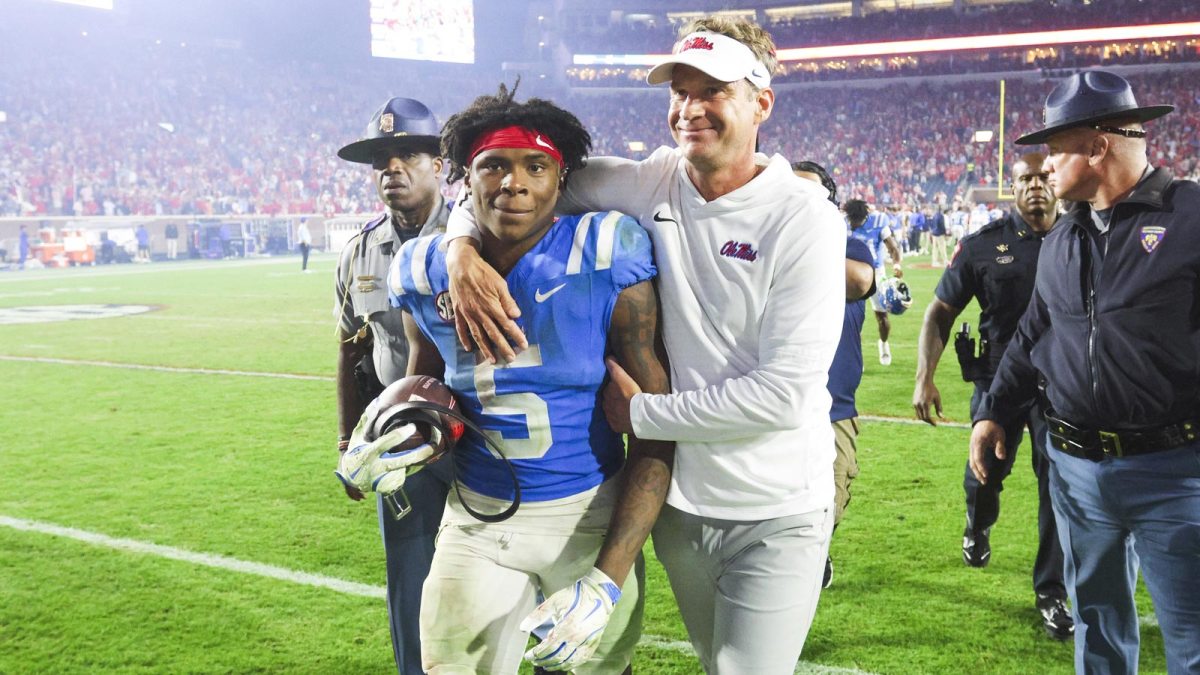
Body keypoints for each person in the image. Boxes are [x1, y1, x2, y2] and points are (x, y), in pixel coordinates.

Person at [444, 17, 845, 674]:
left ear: (761, 104)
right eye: (680, 92)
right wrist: (460, 249)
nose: (690, 109)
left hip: (778, 506)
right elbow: (516, 185)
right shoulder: (653, 180)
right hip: (681, 506)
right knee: (716, 661)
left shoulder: (805, 219)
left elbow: (784, 396)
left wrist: (643, 414)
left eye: (712, 92)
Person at [388, 86, 672, 674]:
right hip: (477, 518)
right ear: (466, 178)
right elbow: (427, 393)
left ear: (560, 178)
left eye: (535, 166)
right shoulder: (422, 268)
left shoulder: (605, 251)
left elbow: (656, 430)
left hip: (589, 516)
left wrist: (608, 579)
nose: (513, 183)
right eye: (493, 165)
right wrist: (394, 437)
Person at [970, 70, 1200, 673]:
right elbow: (1034, 331)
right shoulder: (1064, 232)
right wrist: (995, 411)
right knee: (1096, 632)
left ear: (1097, 147)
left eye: (1056, 148)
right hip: (1075, 469)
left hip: (1175, 472)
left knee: (1194, 640)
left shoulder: (1191, 218)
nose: (1045, 166)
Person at [913, 152, 1073, 641]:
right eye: (1026, 179)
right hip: (998, 384)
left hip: (1061, 386)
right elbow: (939, 312)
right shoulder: (984, 245)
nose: (1036, 186)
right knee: (986, 475)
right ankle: (978, 523)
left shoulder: (1081, 235)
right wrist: (924, 376)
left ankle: (1052, 591)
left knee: (1058, 487)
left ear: (1056, 182)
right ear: (1012, 187)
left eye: (1044, 177)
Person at [332, 96, 451, 675]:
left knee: (505, 572)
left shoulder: (480, 233)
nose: (391, 169)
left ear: (440, 166)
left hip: (480, 436)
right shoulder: (360, 250)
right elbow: (351, 346)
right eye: (381, 159)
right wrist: (346, 439)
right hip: (400, 443)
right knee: (410, 579)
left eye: (408, 156)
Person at [794, 161, 875, 589]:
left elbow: (859, 282)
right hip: (779, 400)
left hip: (834, 405)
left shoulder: (851, 246)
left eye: (812, 194)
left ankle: (818, 548)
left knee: (832, 498)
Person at [846, 199, 904, 366]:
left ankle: (884, 343)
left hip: (876, 273)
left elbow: (892, 247)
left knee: (882, 318)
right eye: (851, 220)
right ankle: (856, 355)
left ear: (864, 217)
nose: (853, 224)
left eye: (855, 220)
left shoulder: (878, 221)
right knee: (851, 319)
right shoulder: (844, 224)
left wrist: (896, 265)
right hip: (852, 273)